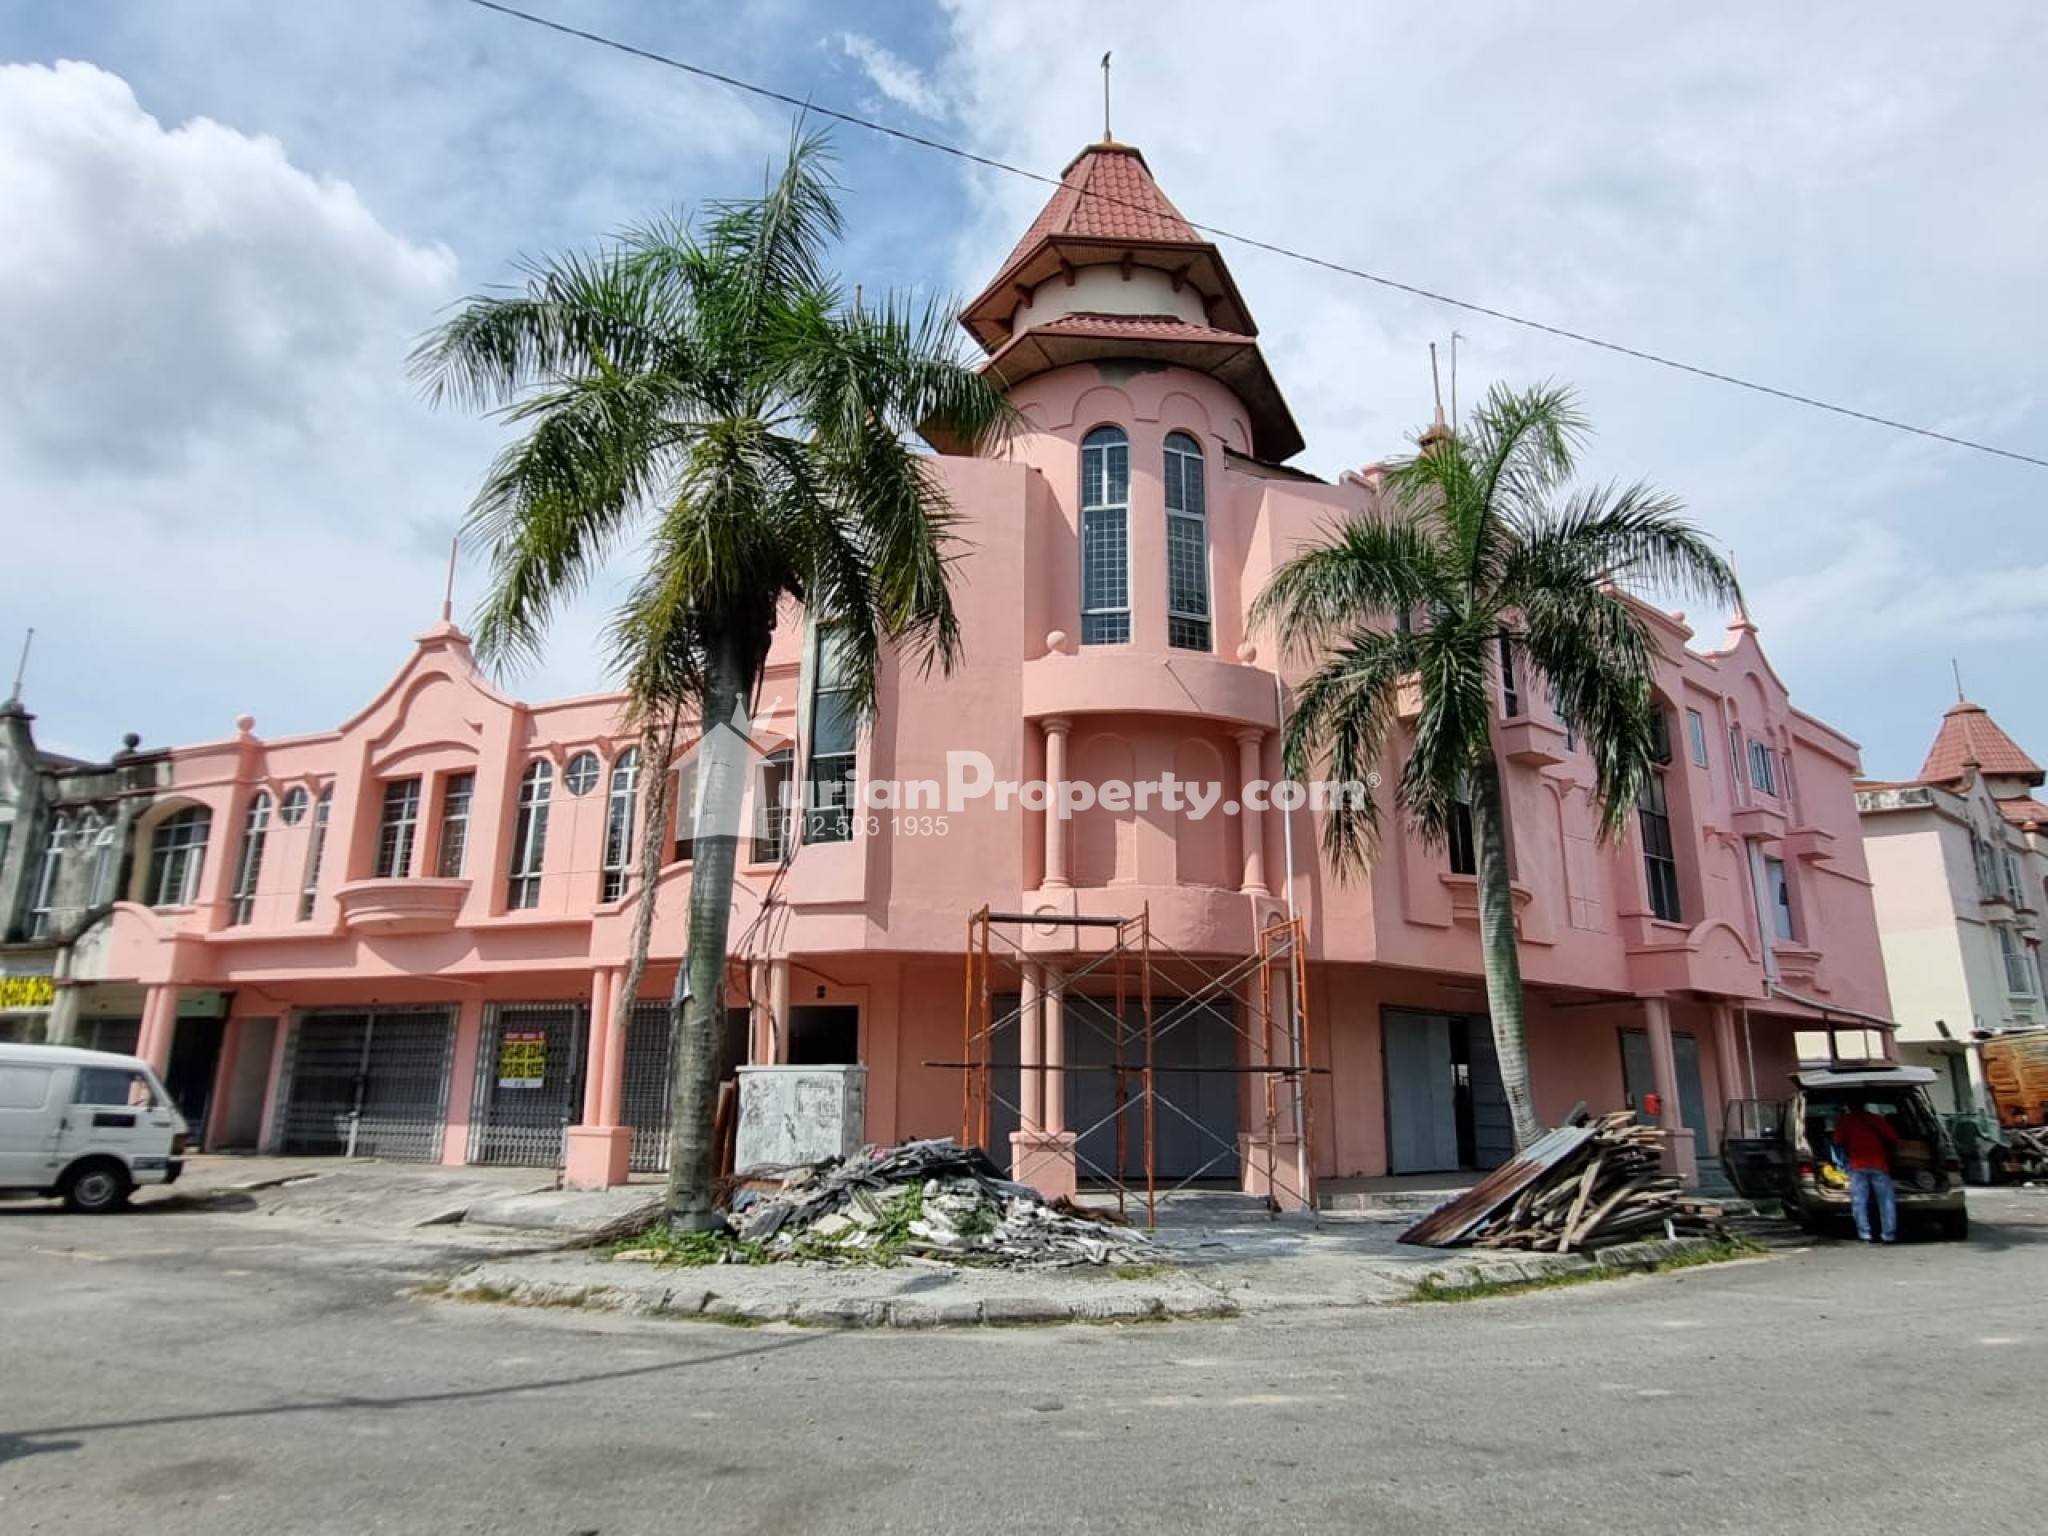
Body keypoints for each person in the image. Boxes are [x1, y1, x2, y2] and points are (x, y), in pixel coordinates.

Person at [1833, 1105, 1900, 1244]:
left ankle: (1865, 1234)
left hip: (1857, 1165)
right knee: (1886, 1200)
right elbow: (1894, 1137)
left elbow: (1837, 1140)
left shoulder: (1845, 1121)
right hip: (1879, 1164)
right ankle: (1888, 1234)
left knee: (1859, 1201)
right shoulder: (1877, 1119)